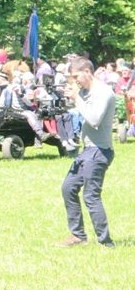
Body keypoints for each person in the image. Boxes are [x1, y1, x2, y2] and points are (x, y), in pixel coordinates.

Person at [59, 58, 115, 248]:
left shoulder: (103, 92)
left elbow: (94, 119)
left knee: (91, 196)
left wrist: (77, 99)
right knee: (68, 188)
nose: (75, 81)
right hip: (87, 150)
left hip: (100, 151)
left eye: (76, 77)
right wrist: (69, 100)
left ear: (87, 72)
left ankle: (106, 242)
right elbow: (78, 110)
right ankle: (78, 236)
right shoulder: (85, 92)